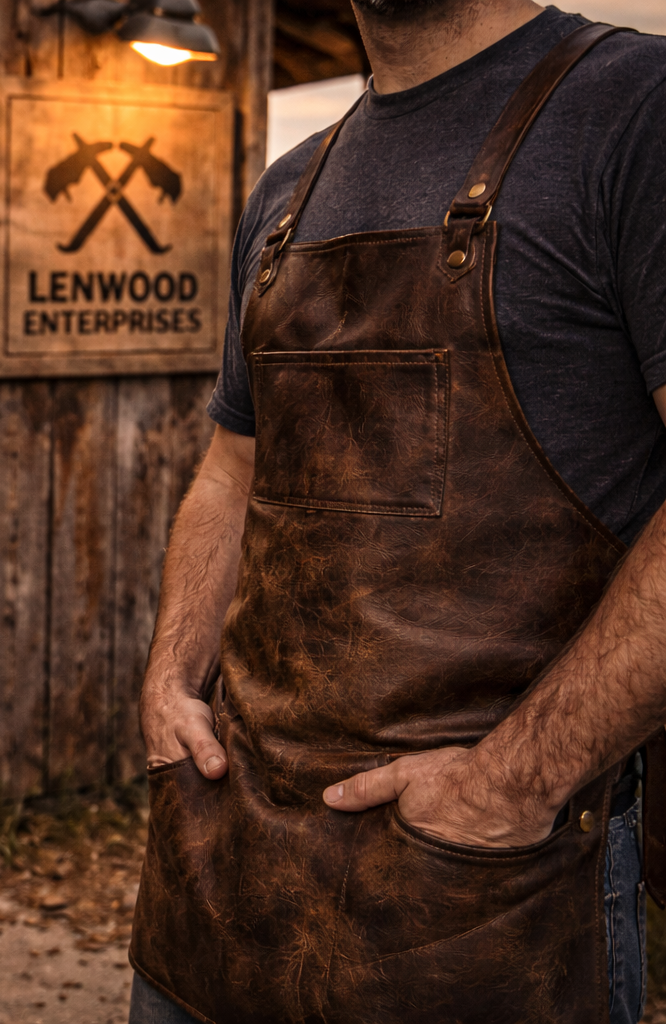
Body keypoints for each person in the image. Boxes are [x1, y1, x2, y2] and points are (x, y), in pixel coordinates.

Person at [129, 0, 666, 1021]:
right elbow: (230, 469)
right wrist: (169, 677)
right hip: (222, 871)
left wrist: (514, 783)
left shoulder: (634, 110)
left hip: (479, 901)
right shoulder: (291, 189)